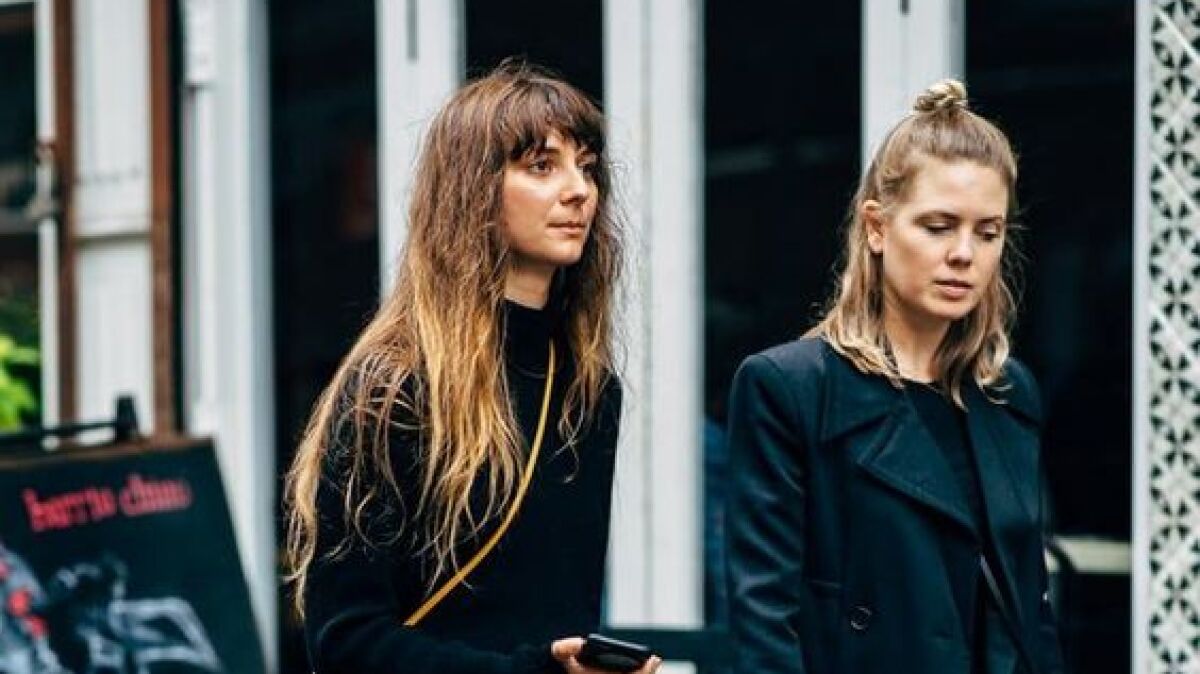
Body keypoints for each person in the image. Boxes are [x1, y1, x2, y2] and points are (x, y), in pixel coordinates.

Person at [283, 60, 660, 674]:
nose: (579, 191)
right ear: (474, 190)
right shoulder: (394, 388)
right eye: (542, 166)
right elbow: (345, 640)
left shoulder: (587, 391)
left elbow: (560, 616)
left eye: (587, 166)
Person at [725, 79, 1064, 674]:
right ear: (877, 227)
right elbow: (766, 625)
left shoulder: (1008, 391)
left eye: (988, 232)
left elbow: (1030, 614)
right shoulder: (791, 389)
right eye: (938, 226)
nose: (964, 254)